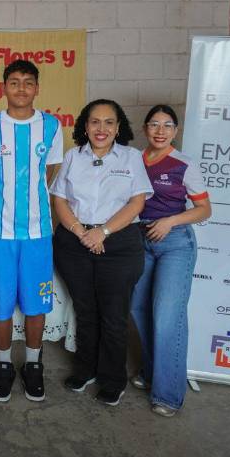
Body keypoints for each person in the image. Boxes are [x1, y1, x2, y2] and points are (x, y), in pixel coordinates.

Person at [0, 59, 63, 403]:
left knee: (37, 304)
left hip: (38, 233)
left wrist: (30, 196)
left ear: (37, 88)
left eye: (28, 82)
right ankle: (5, 364)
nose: (21, 88)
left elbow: (51, 169)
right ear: (3, 87)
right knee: (2, 304)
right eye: (14, 82)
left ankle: (34, 365)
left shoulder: (52, 126)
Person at [50, 99, 153, 406]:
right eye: (95, 122)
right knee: (85, 310)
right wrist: (82, 232)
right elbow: (60, 200)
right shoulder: (72, 157)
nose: (102, 128)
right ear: (85, 125)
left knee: (113, 314)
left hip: (119, 243)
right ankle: (86, 370)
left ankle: (112, 378)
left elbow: (137, 203)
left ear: (118, 128)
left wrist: (102, 231)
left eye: (109, 122)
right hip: (74, 241)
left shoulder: (131, 157)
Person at [130, 105, 211, 417]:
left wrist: (171, 221)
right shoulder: (134, 160)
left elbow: (204, 209)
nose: (160, 131)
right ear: (146, 129)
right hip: (141, 240)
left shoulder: (184, 164)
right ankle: (151, 372)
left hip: (175, 243)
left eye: (167, 125)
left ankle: (167, 394)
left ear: (175, 131)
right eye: (154, 124)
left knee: (167, 316)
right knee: (139, 310)